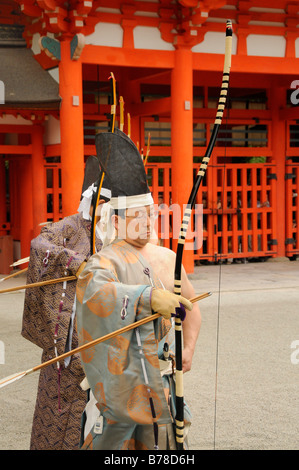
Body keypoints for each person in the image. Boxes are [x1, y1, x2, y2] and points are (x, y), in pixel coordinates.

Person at [76, 129, 201, 450]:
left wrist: (187, 349)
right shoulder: (103, 262)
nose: (147, 222)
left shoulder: (167, 258)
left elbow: (191, 306)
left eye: (150, 214)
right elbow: (97, 296)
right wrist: (148, 298)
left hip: (160, 379)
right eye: (137, 216)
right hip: (118, 386)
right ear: (116, 222)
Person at [21, 156, 111, 450]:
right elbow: (39, 244)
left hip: (103, 336)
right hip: (67, 342)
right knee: (61, 407)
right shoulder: (71, 226)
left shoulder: (112, 235)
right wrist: (75, 263)